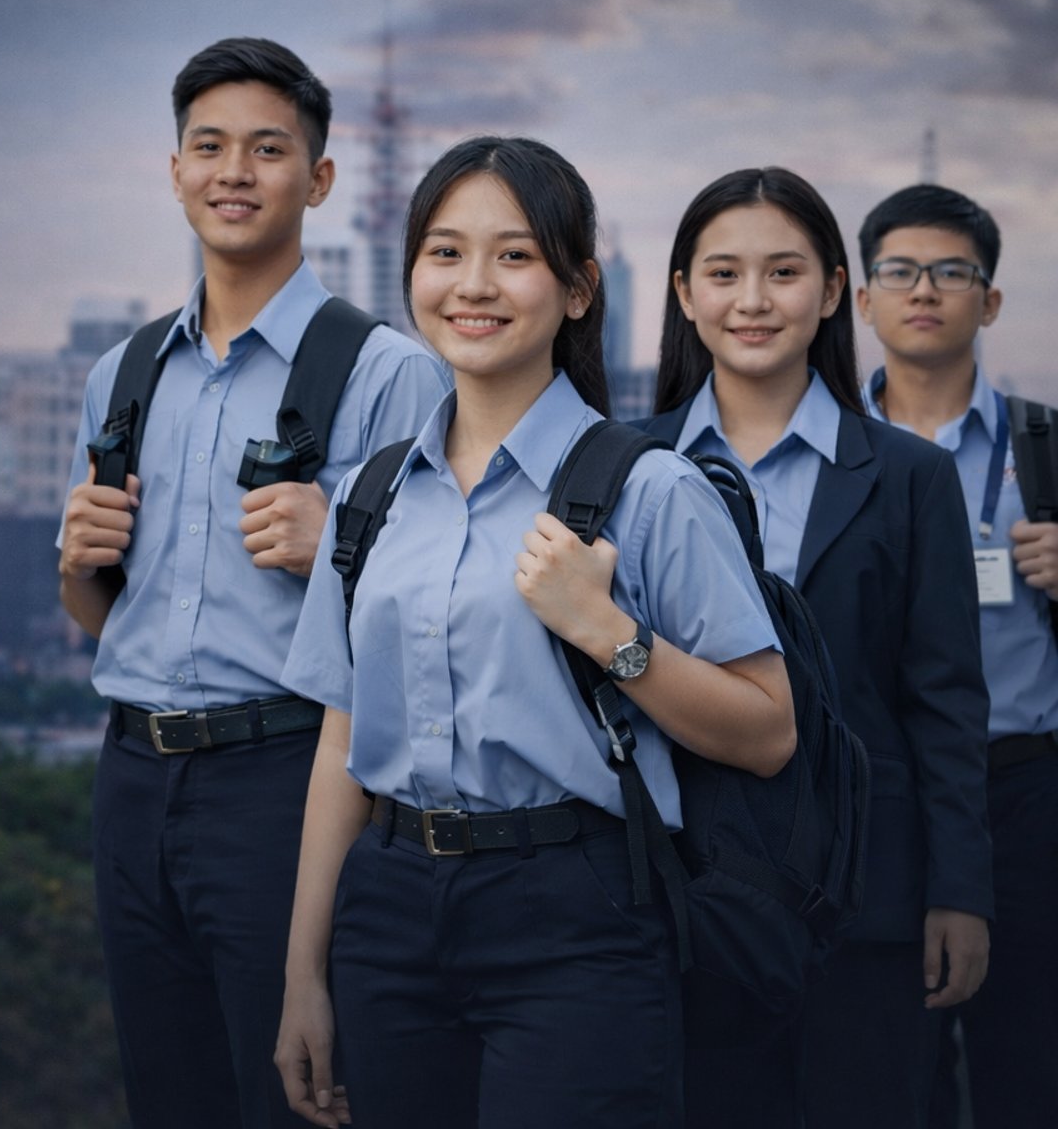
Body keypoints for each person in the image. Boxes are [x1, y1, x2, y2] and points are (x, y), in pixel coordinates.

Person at [274, 135, 794, 1129]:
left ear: (579, 288)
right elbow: (343, 737)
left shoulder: (651, 490)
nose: (474, 284)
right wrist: (304, 973)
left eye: (514, 255)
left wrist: (608, 631)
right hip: (388, 910)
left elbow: (770, 729)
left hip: (577, 914)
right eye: (445, 252)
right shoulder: (374, 493)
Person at [58, 37, 449, 1129]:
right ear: (175, 170)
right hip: (132, 780)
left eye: (268, 149)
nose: (234, 171)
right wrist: (75, 565)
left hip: (289, 779)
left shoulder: (389, 374)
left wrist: (339, 545)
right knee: (167, 1094)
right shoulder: (124, 374)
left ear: (318, 180)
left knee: (298, 1094)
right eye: (209, 146)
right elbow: (103, 614)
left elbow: (441, 622)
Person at [639, 167, 993, 1128]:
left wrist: (959, 894)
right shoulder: (624, 464)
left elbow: (946, 704)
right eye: (723, 274)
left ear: (834, 291)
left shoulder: (912, 476)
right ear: (684, 294)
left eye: (784, 272)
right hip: (681, 892)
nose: (753, 301)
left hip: (870, 897)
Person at [856, 183, 1056, 1129]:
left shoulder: (1044, 446)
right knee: (890, 1072)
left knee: (1031, 1064)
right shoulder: (835, 452)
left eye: (950, 271)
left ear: (992, 299)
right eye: (900, 271)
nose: (924, 290)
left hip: (1023, 793)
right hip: (880, 795)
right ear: (863, 299)